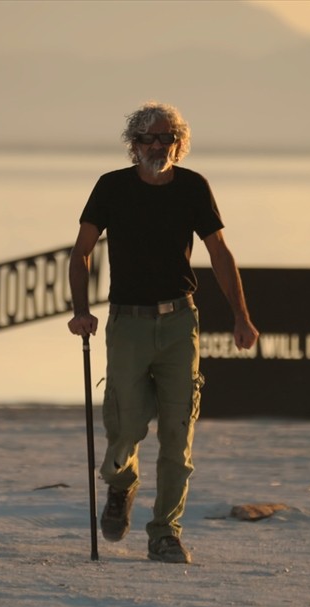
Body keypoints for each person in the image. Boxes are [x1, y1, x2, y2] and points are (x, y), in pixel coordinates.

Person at [67, 101, 259, 564]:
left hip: (179, 323)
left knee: (178, 434)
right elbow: (82, 253)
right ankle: (121, 486)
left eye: (167, 137)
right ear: (133, 145)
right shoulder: (111, 187)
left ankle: (165, 533)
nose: (158, 145)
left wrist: (241, 316)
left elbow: (220, 252)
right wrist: (80, 311)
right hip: (127, 323)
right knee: (124, 431)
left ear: (180, 143)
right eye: (148, 138)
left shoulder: (193, 187)